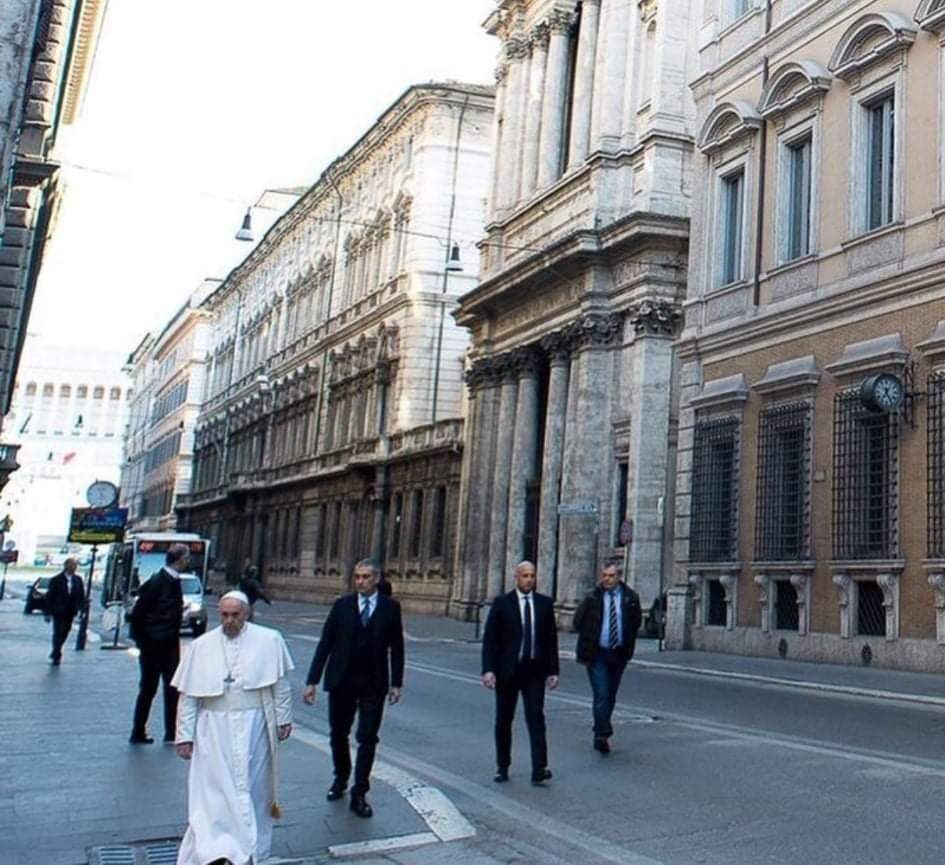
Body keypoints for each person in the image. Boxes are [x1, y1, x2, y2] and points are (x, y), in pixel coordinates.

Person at [172, 590, 294, 865]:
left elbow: (280, 686)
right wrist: (184, 736)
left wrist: (283, 719)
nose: (229, 621)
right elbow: (189, 697)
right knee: (214, 791)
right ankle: (215, 849)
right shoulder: (201, 646)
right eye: (224, 615)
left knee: (252, 787)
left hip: (255, 726)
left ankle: (250, 849)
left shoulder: (269, 640)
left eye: (235, 615)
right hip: (213, 729)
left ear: (246, 613)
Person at [302, 558, 404, 818]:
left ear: (377, 579)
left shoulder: (390, 608)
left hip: (374, 682)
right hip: (342, 680)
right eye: (357, 576)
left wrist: (396, 683)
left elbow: (397, 647)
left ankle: (360, 793)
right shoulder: (342, 606)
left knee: (367, 738)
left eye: (366, 577)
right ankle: (341, 777)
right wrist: (312, 681)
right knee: (338, 734)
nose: (360, 581)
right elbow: (325, 643)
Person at [481, 561, 559, 786]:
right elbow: (490, 640)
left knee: (536, 718)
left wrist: (553, 671)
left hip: (534, 670)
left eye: (532, 576)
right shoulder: (502, 604)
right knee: (504, 720)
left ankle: (539, 768)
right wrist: (488, 669)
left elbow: (550, 640)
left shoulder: (544, 604)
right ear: (516, 577)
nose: (529, 580)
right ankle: (502, 766)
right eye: (525, 576)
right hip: (508, 671)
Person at [574, 561, 643, 754]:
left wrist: (626, 642)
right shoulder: (592, 597)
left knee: (610, 695)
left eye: (611, 576)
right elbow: (578, 621)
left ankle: (602, 728)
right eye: (604, 575)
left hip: (618, 653)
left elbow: (635, 621)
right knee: (602, 693)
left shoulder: (630, 597)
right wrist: (590, 638)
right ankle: (601, 734)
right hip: (597, 653)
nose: (607, 579)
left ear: (619, 577)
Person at [127, 543, 187, 744]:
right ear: (179, 559)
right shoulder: (157, 581)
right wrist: (144, 642)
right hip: (154, 646)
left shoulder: (172, 580)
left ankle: (171, 732)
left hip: (168, 644)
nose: (188, 561)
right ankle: (138, 731)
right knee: (148, 689)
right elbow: (138, 614)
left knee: (172, 688)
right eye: (186, 557)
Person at [44, 557, 85, 666]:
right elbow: (50, 597)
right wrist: (47, 613)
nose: (74, 568)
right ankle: (57, 655)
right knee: (58, 632)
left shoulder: (78, 579)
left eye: (75, 566)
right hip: (58, 611)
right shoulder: (56, 580)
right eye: (72, 565)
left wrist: (82, 609)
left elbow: (81, 595)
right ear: (66, 566)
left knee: (65, 632)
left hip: (70, 611)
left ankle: (56, 650)